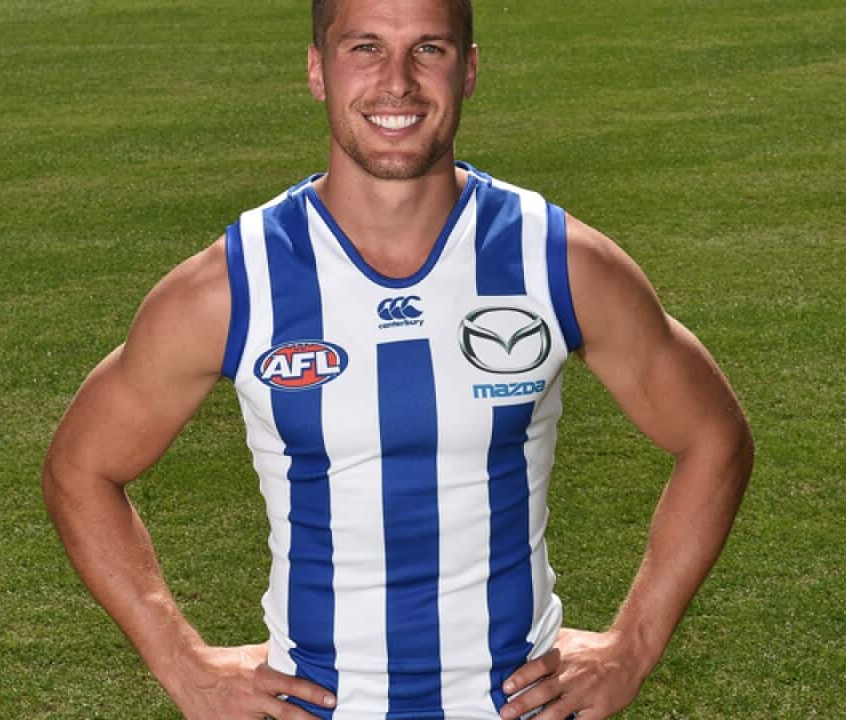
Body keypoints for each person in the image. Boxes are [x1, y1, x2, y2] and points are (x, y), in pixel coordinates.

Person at [41, 0, 754, 718]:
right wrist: (183, 664)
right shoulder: (234, 284)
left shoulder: (557, 261)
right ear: (317, 69)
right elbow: (81, 467)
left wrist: (634, 645)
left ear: (468, 70)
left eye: (429, 49)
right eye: (366, 48)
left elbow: (713, 437)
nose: (397, 82)